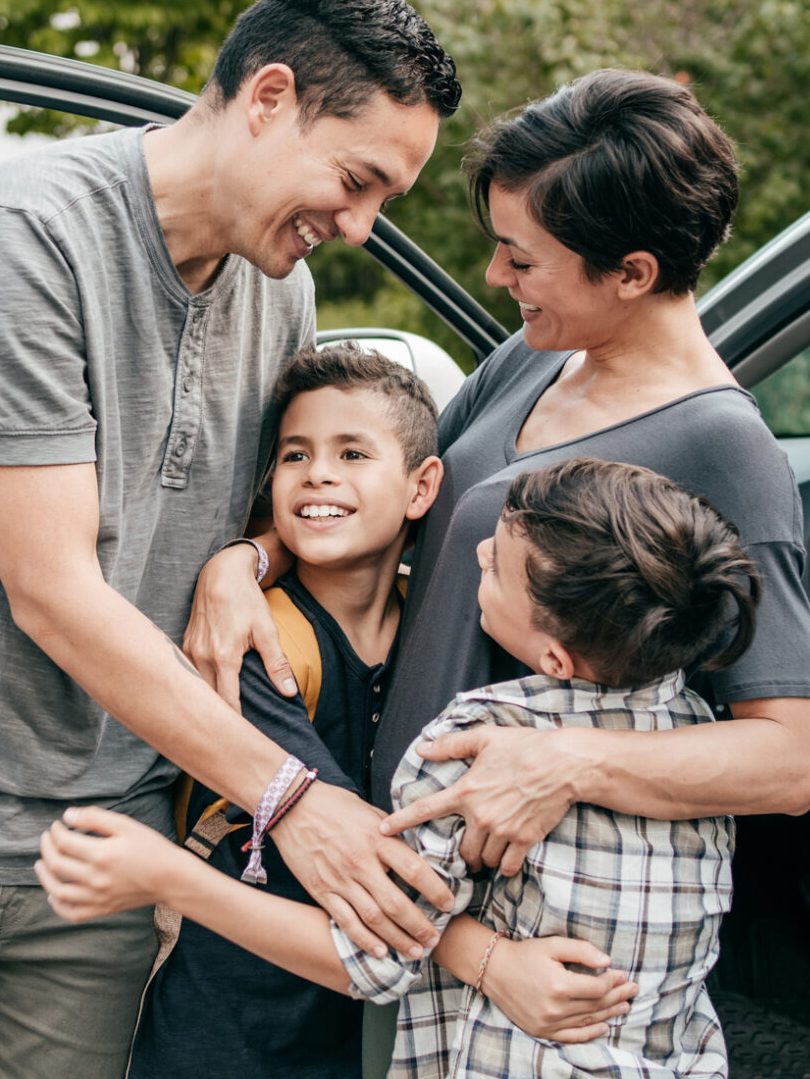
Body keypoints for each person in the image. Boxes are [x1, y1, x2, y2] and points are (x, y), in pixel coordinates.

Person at [0, 0, 463, 1078]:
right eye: (357, 180)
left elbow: (257, 500)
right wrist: (290, 801)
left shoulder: (280, 289)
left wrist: (243, 557)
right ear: (268, 98)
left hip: (100, 843)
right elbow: (55, 593)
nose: (360, 226)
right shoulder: (22, 240)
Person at [182, 69, 810, 1044]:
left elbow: (788, 756)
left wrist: (562, 759)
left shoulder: (723, 451)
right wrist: (246, 561)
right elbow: (389, 503)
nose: (495, 278)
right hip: (383, 874)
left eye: (520, 258)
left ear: (633, 273)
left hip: (529, 933)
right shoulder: (534, 354)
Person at [42, 456, 765, 1079]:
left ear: (553, 659)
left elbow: (365, 959)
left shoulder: (475, 744)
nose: (478, 552)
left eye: (499, 567)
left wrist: (167, 877)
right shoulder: (697, 739)